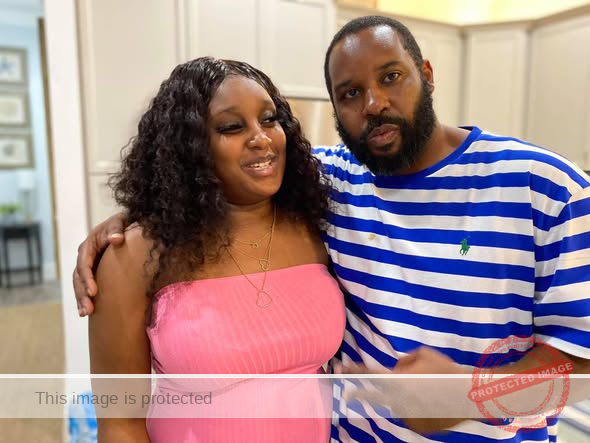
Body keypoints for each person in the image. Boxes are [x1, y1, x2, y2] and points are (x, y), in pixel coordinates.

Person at [75, 15, 590, 443]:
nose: (373, 104)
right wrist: (130, 225)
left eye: (391, 77)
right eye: (350, 92)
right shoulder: (330, 183)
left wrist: (473, 395)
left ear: (427, 75)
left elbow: (581, 368)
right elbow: (211, 177)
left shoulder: (546, 189)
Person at [87, 56, 346, 442]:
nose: (261, 138)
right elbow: (120, 423)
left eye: (269, 119)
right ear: (188, 148)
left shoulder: (316, 225)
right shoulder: (137, 254)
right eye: (231, 127)